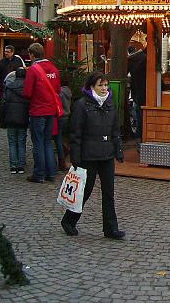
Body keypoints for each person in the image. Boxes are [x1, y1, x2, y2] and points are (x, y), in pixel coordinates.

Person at [61, 71, 125, 239]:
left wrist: (118, 149)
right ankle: (69, 220)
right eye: (100, 85)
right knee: (85, 190)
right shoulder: (82, 105)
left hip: (106, 153)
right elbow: (76, 132)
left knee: (109, 192)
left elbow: (115, 129)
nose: (104, 88)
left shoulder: (110, 103)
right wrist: (75, 156)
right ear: (92, 87)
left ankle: (111, 228)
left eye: (106, 85)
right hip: (88, 154)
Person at [23, 42, 62, 183]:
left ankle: (39, 173)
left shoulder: (33, 70)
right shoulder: (54, 69)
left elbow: (27, 92)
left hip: (38, 110)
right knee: (47, 141)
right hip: (51, 110)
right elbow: (57, 90)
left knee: (38, 142)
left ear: (32, 55)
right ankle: (51, 172)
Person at [1, 67, 29, 174]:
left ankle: (13, 165)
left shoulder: (9, 87)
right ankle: (21, 166)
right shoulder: (27, 88)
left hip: (10, 117)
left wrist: (2, 119)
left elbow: (3, 103)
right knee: (21, 142)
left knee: (12, 142)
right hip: (23, 117)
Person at [127, 44, 146, 138]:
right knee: (140, 117)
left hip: (137, 92)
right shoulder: (145, 58)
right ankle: (140, 138)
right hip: (143, 92)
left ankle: (139, 138)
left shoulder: (132, 60)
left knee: (139, 118)